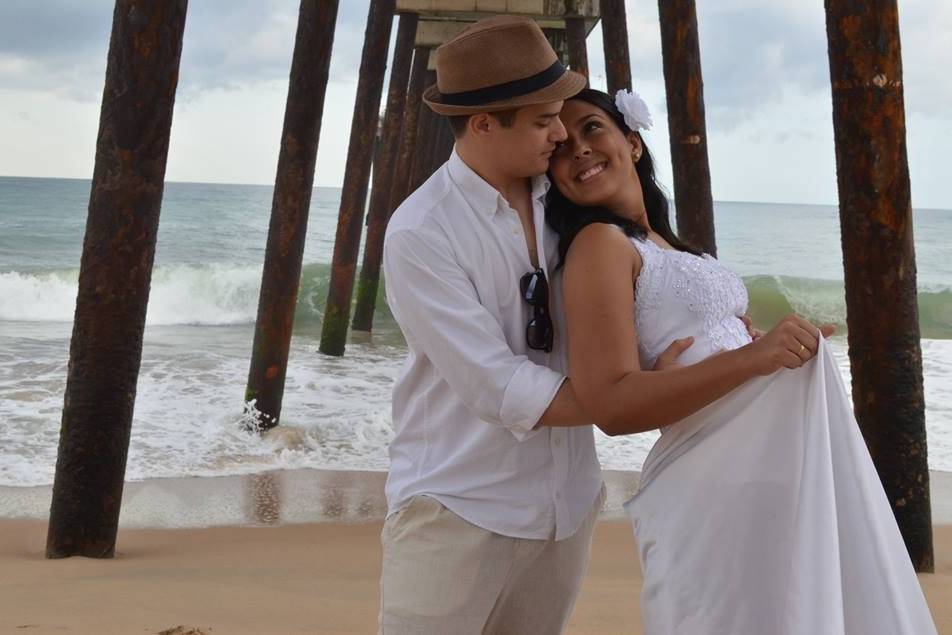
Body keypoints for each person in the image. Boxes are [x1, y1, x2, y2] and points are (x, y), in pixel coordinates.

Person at [545, 87, 938, 633]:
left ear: (632, 143)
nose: (578, 150)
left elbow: (698, 340)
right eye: (561, 146)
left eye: (591, 129)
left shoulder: (668, 245)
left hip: (755, 474)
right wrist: (755, 358)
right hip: (712, 483)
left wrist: (755, 345)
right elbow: (610, 405)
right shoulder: (598, 246)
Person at [377, 16, 601, 633]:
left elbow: (636, 293)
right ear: (482, 124)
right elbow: (493, 384)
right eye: (542, 120)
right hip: (459, 509)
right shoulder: (422, 231)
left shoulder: (570, 201)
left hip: (568, 505)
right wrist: (625, 400)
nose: (561, 133)